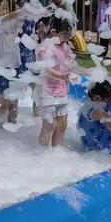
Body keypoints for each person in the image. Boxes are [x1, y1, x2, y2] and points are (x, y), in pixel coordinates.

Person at [36, 18, 83, 148]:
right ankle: (41, 153)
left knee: (62, 125)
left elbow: (72, 65)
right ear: (54, 31)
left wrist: (88, 72)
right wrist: (63, 76)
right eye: (65, 34)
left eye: (69, 35)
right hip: (47, 93)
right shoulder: (45, 47)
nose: (68, 37)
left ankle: (56, 153)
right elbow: (46, 69)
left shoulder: (65, 47)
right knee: (49, 124)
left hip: (61, 92)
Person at [77, 81, 111, 157]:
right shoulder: (89, 106)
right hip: (95, 147)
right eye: (110, 99)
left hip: (108, 143)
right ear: (97, 98)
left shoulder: (103, 101)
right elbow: (102, 117)